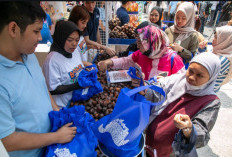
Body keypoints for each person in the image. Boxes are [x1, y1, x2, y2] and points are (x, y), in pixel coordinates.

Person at [0, 2, 76, 157]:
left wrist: (57, 110)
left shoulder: (29, 55)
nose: (40, 38)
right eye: (36, 31)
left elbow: (42, 88)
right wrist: (55, 137)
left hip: (51, 148)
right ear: (13, 29)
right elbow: (7, 139)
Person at [144, 52, 221, 157]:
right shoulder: (176, 80)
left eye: (200, 75)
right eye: (190, 71)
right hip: (149, 144)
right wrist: (143, 89)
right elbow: (156, 94)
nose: (192, 78)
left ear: (211, 78)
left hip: (172, 153)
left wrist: (188, 128)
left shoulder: (211, 102)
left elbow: (202, 132)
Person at [98, 22, 185, 81]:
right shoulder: (141, 54)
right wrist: (108, 62)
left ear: (151, 42)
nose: (137, 45)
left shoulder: (174, 60)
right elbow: (126, 61)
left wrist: (150, 85)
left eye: (140, 42)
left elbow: (179, 85)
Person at [43, 20, 92, 108]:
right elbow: (53, 89)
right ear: (61, 38)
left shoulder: (75, 51)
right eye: (70, 40)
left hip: (77, 100)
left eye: (77, 40)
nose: (74, 44)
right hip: (63, 107)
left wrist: (86, 72)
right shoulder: (52, 61)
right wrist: (77, 85)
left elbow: (78, 67)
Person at [165, 2, 199, 68]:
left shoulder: (192, 35)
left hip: (181, 69)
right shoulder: (169, 30)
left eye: (183, 18)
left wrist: (181, 50)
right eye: (177, 17)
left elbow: (193, 57)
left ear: (189, 18)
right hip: (166, 66)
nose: (179, 21)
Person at [212, 25, 232, 92]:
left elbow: (202, 71)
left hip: (204, 96)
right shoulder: (217, 53)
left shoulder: (222, 60)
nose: (213, 39)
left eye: (216, 37)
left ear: (225, 40)